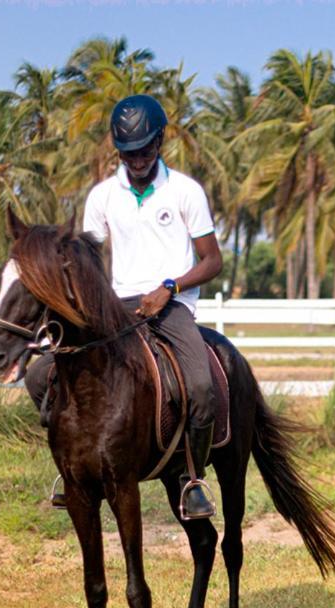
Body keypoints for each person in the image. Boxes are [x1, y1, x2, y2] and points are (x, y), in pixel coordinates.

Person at [25, 94, 222, 519]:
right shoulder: (102, 196)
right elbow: (88, 261)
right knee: (40, 374)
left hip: (171, 306)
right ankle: (69, 467)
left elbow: (213, 260)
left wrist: (170, 287)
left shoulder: (185, 191)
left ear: (160, 142)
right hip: (117, 308)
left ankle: (192, 478)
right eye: (128, 152)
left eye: (145, 149)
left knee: (202, 388)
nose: (137, 159)